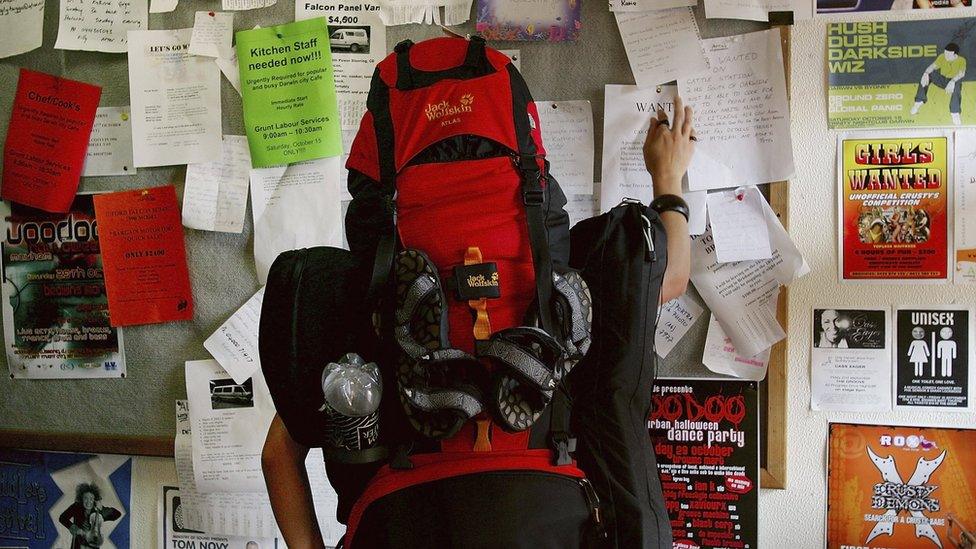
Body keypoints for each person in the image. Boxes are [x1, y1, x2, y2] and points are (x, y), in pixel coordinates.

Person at [261, 98, 696, 548]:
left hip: (502, 453)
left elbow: (664, 281)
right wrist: (668, 178)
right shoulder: (361, 301)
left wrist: (668, 179)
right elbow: (278, 457)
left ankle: (515, 363)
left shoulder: (364, 302)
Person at [911, 43, 966, 126]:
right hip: (942, 79)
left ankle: (955, 113)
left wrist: (953, 81)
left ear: (955, 55)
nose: (945, 55)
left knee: (958, 85)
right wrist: (926, 73)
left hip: (953, 81)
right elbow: (933, 66)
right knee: (927, 76)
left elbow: (962, 73)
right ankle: (919, 101)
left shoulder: (962, 60)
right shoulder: (942, 57)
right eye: (945, 53)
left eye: (948, 54)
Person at [58, 483, 122, 549]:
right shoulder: (76, 506)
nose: (88, 502)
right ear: (81, 499)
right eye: (85, 498)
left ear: (94, 499)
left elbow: (117, 514)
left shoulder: (98, 510)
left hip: (93, 543)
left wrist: (102, 509)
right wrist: (76, 529)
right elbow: (62, 518)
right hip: (78, 544)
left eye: (91, 498)